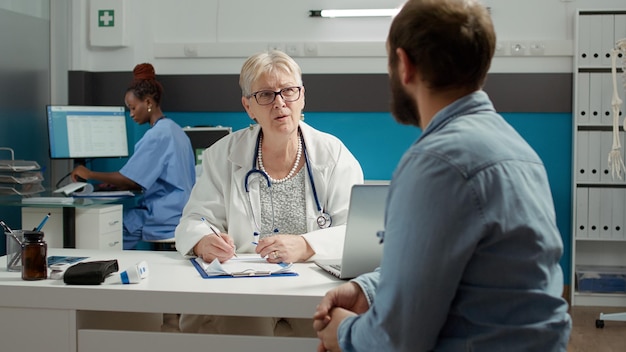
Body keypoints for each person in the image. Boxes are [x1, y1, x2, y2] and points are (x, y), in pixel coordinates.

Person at [312, 0, 573, 351]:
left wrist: (343, 332)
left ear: (404, 65)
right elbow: (471, 273)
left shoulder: (437, 162)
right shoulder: (519, 152)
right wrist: (368, 289)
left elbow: (397, 339)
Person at [175, 50, 364, 335]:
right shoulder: (222, 155)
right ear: (248, 106)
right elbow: (193, 221)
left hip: (312, 286)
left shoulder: (333, 154)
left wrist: (305, 245)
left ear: (302, 97)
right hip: (243, 288)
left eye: (288, 91)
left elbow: (358, 232)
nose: (279, 103)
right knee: (239, 325)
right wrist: (204, 242)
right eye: (265, 94)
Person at [71, 63, 196, 250]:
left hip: (162, 217)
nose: (130, 114)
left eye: (132, 107)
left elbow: (130, 180)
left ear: (147, 103)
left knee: (106, 226)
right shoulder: (175, 130)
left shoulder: (158, 135)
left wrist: (89, 174)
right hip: (180, 212)